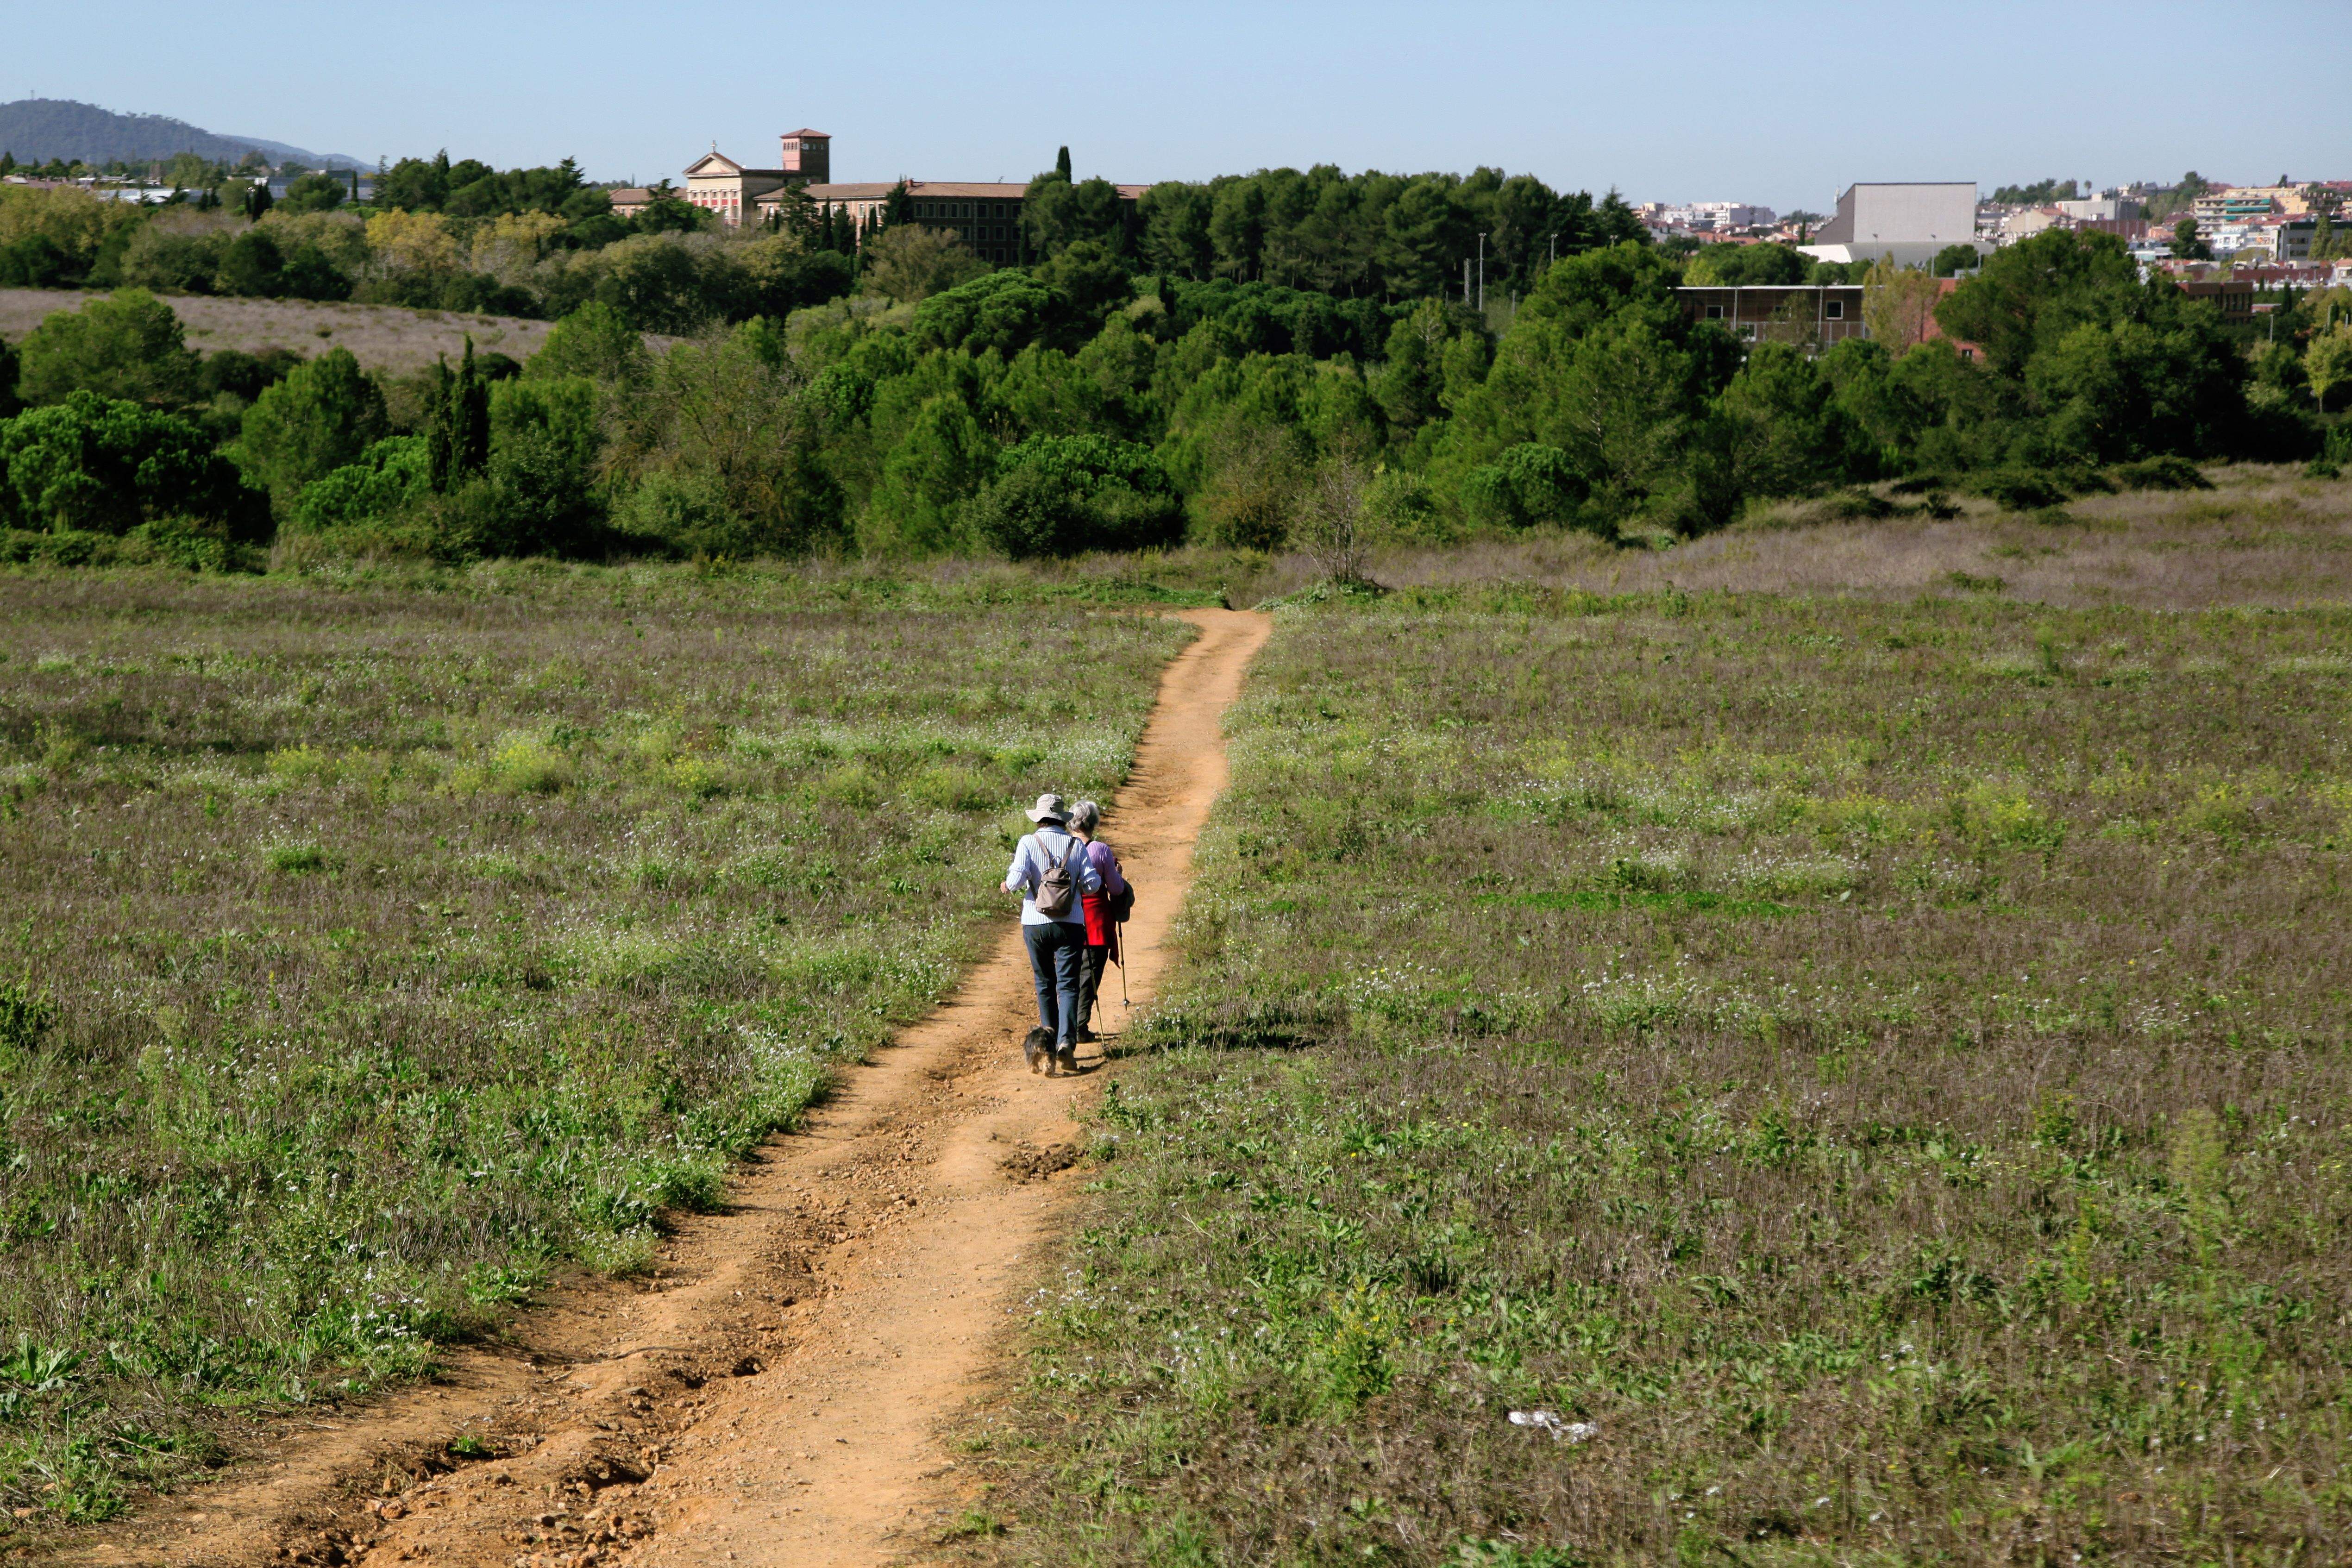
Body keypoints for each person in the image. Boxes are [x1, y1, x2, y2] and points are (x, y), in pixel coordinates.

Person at [1003, 792, 1100, 1075]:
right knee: (1068, 984)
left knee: (1044, 982)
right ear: (1062, 819)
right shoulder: (1075, 844)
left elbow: (1017, 880)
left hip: (1035, 922)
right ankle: (1066, 1043)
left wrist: (1008, 885)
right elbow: (1092, 884)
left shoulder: (1029, 842)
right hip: (1070, 923)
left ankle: (1047, 1046)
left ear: (1040, 818)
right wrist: (1075, 889)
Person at [1067, 800, 1126, 1043]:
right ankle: (1080, 1026)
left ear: (1071, 822)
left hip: (1068, 916)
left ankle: (1068, 1027)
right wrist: (1119, 874)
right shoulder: (1101, 850)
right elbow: (1116, 888)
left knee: (1069, 975)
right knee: (1090, 975)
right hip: (1097, 919)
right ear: (1094, 823)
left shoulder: (1064, 847)